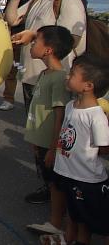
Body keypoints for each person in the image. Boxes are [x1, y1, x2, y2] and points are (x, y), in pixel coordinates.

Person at [5, 0, 87, 204]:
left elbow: (71, 40)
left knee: (52, 137)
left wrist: (35, 36)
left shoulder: (68, 1)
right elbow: (13, 18)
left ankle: (60, 191)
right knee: (36, 138)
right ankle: (48, 185)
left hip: (54, 81)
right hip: (33, 78)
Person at [52, 55, 109, 245]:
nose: (67, 77)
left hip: (87, 178)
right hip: (68, 173)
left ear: (88, 86)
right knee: (73, 212)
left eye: (72, 74)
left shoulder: (96, 116)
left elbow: (104, 147)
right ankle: (69, 238)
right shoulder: (70, 106)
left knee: (88, 218)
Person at [24, 26, 73, 238]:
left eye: (36, 41)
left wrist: (53, 147)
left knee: (55, 183)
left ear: (48, 50)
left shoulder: (59, 78)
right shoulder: (45, 74)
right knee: (49, 180)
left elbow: (59, 115)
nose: (32, 45)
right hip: (40, 141)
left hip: (50, 144)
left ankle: (56, 222)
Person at [0, 0, 34, 112]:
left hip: (29, 39)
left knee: (29, 73)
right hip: (13, 39)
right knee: (11, 71)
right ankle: (8, 99)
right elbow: (9, 19)